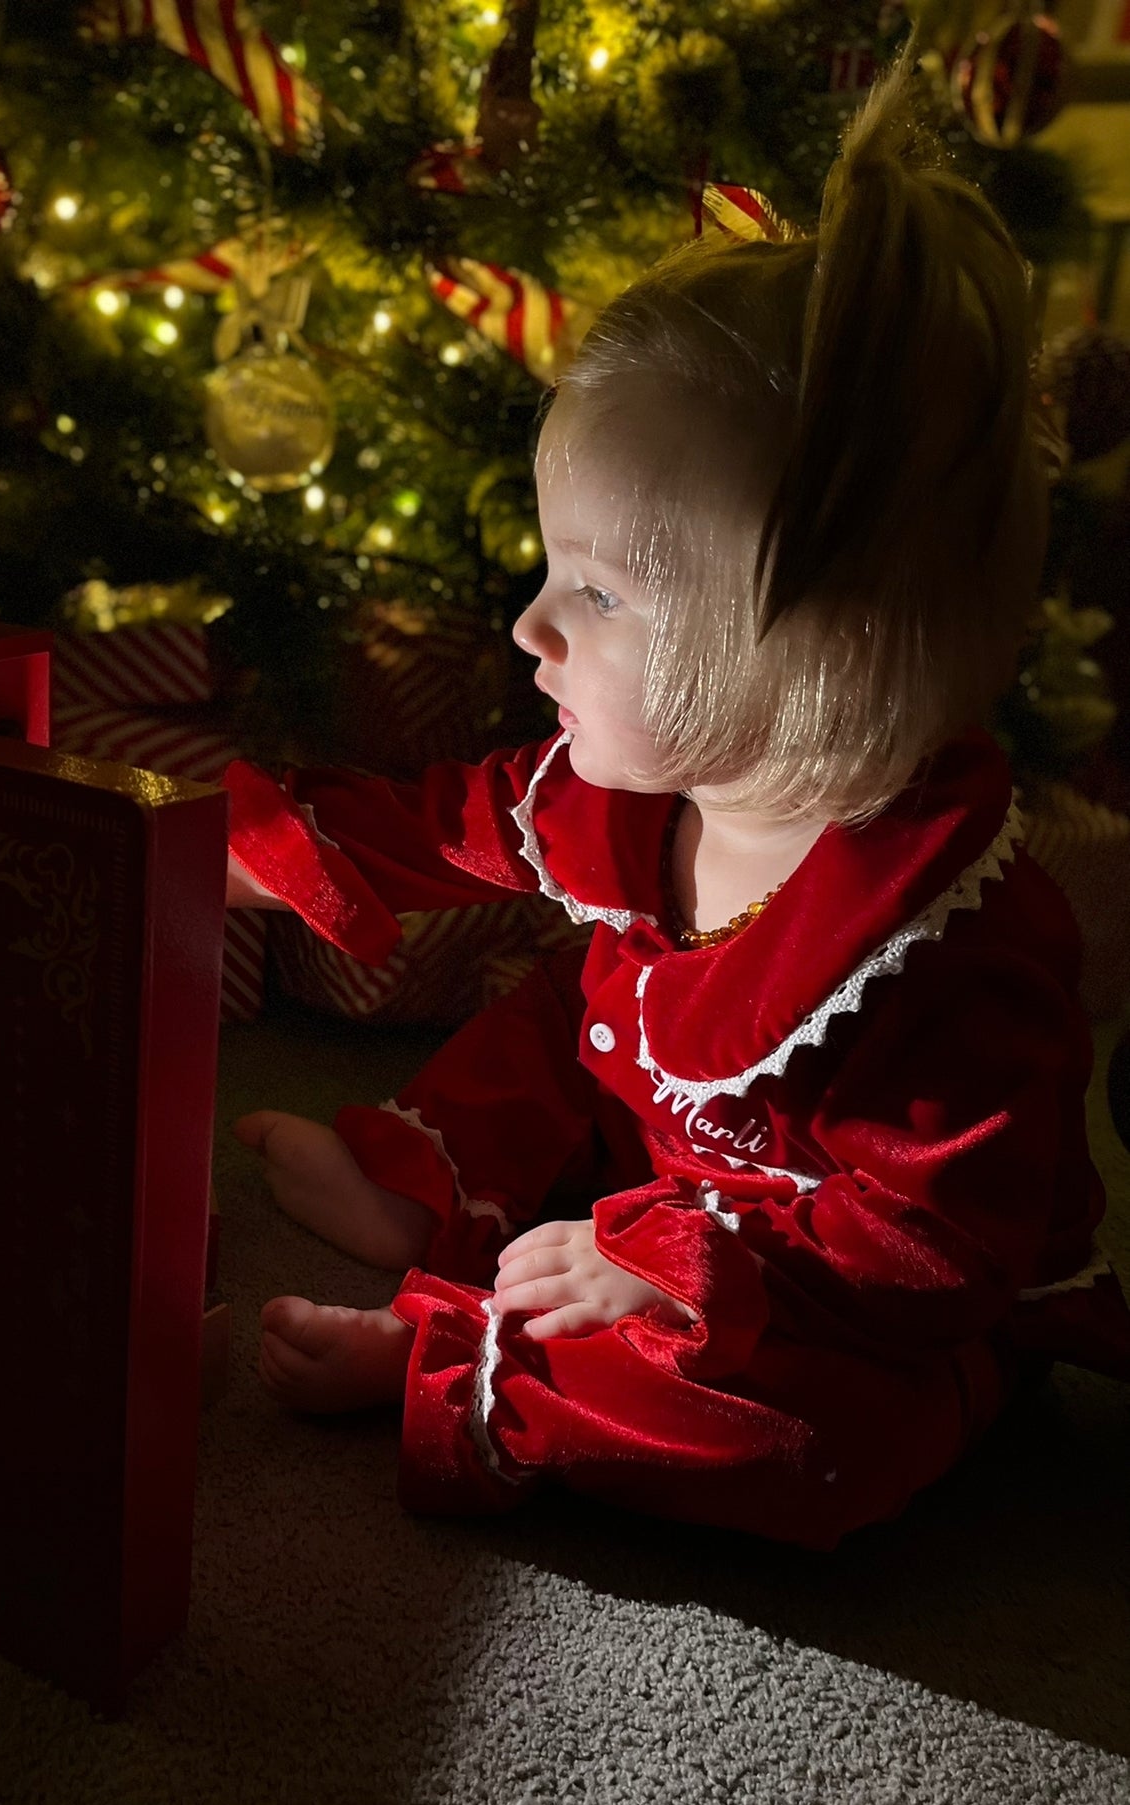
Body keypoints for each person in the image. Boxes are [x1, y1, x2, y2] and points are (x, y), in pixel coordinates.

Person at [219, 47, 1130, 1549]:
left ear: (814, 647)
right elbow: (445, 820)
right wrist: (247, 855)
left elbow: (927, 1250)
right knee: (555, 1018)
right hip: (660, 1145)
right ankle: (414, 1187)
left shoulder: (957, 952)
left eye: (595, 592)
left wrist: (667, 1261)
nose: (527, 629)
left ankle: (473, 1371)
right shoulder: (635, 788)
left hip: (840, 1288)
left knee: (814, 1439)